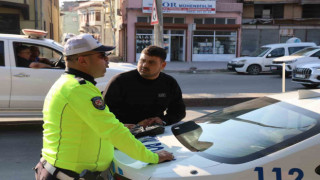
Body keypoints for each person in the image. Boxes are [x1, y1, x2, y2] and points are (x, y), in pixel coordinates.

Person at [34, 34, 174, 180]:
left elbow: (85, 126)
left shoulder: (73, 84)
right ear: (82, 60)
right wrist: (152, 157)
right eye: (102, 56)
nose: (107, 60)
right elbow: (113, 131)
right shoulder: (78, 88)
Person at [103, 45, 186, 128]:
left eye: (151, 62)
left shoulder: (169, 83)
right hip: (124, 132)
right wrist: (135, 125)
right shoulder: (119, 81)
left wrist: (163, 120)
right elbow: (104, 114)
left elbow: (179, 111)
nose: (144, 65)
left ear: (163, 65)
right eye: (142, 60)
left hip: (157, 132)